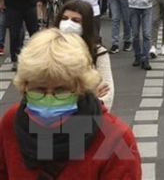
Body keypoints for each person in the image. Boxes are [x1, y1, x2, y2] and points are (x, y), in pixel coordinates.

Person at [0, 28, 141, 178]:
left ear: (81, 87)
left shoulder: (115, 139)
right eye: (39, 90)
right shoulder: (12, 122)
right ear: (25, 87)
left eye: (61, 90)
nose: (49, 100)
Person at [54, 0, 114, 110]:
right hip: (50, 120)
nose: (68, 23)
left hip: (85, 121)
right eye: (65, 19)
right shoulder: (48, 49)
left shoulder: (98, 53)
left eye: (76, 20)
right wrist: (90, 97)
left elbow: (107, 98)